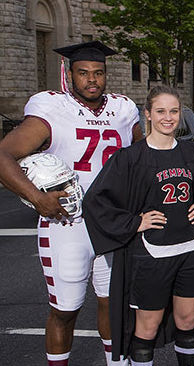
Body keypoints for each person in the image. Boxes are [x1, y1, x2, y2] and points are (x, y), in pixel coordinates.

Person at [0, 41, 141, 366]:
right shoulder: (51, 108)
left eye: (98, 73)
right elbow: (4, 155)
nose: (92, 80)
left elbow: (142, 157)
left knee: (113, 305)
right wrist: (37, 198)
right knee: (65, 310)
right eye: (83, 73)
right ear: (69, 74)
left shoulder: (123, 109)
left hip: (113, 223)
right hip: (67, 223)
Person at [83, 85, 194, 366]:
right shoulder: (130, 158)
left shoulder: (192, 153)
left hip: (190, 250)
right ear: (147, 114)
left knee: (187, 318)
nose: (167, 117)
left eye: (173, 111)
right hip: (151, 254)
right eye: (160, 111)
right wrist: (135, 222)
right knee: (147, 325)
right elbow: (95, 201)